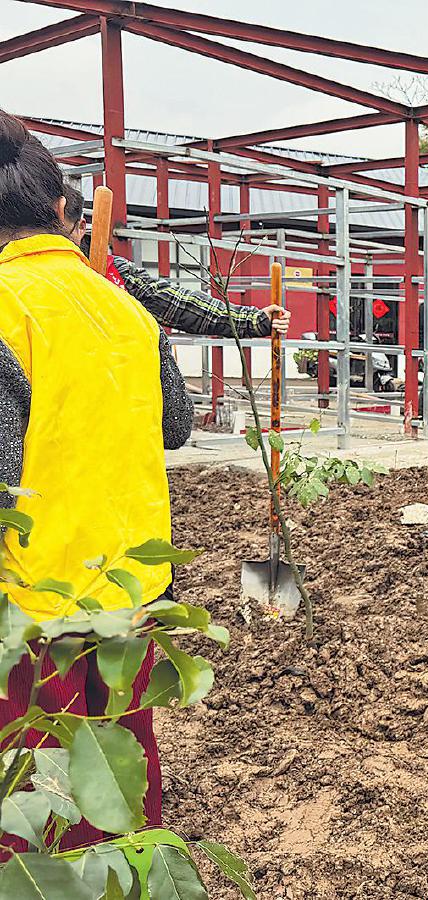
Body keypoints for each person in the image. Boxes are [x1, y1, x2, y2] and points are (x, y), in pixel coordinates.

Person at [0, 110, 193, 846]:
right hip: (129, 592)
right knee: (120, 766)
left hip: (30, 609)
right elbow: (175, 427)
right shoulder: (129, 309)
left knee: (34, 793)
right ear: (62, 212)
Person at [63, 182, 290, 339]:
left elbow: (180, 305)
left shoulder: (112, 272)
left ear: (81, 228)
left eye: (59, 232)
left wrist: (255, 320)